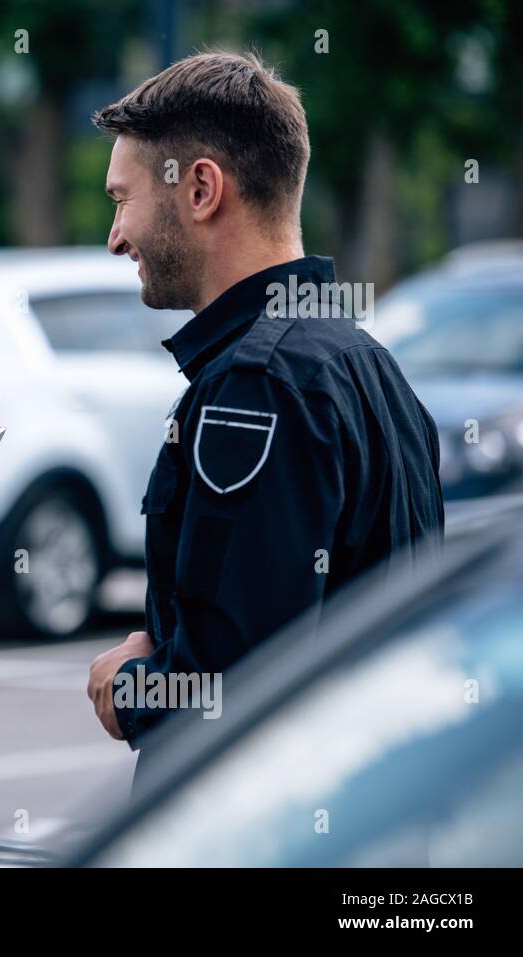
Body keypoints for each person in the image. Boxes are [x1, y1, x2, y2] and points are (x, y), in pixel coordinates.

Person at [83, 52, 444, 792]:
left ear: (202, 188)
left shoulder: (258, 384)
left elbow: (234, 689)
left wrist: (128, 687)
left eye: (123, 200)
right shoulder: (371, 366)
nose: (116, 237)